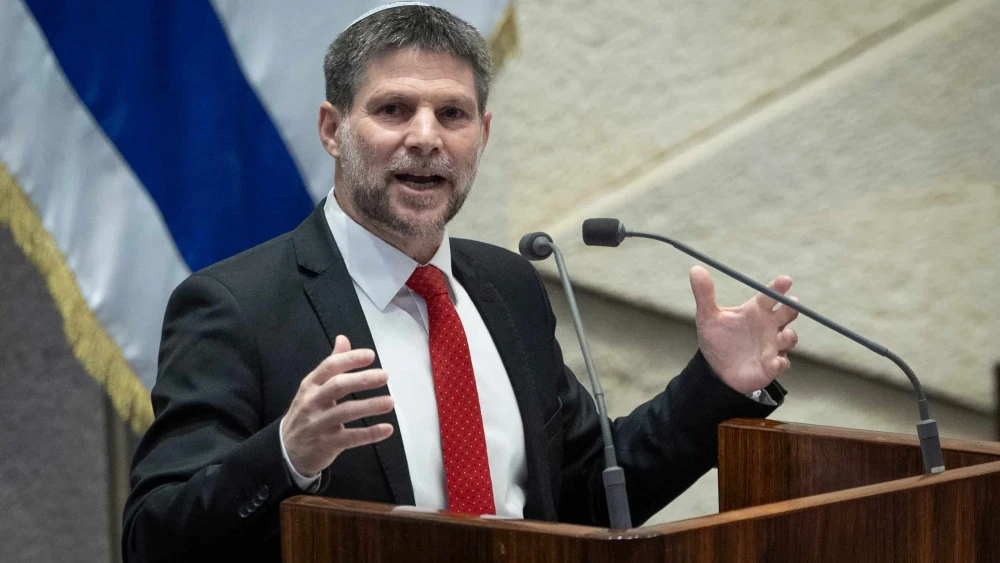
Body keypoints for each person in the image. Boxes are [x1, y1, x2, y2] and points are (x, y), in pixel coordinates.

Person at [122, 3, 799, 561]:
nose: (426, 137)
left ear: (483, 132)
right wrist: (287, 455)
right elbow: (152, 537)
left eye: (452, 114)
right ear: (333, 130)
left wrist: (717, 385)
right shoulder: (237, 306)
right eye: (392, 110)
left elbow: (590, 492)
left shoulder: (505, 284)